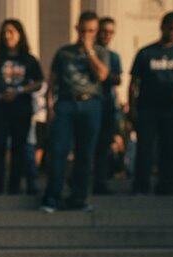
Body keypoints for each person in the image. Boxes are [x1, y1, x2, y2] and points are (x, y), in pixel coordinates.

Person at [41, 11, 110, 212]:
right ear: (76, 29)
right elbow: (51, 81)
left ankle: (79, 198)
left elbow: (103, 75)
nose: (86, 34)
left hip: (91, 104)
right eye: (83, 30)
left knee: (86, 154)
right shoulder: (64, 52)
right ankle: (52, 197)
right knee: (59, 151)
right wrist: (49, 107)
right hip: (66, 104)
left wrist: (90, 52)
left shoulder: (101, 51)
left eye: (91, 31)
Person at [129, 11, 173, 196]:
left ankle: (166, 185)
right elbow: (134, 83)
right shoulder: (146, 52)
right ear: (163, 26)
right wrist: (132, 107)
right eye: (172, 28)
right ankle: (141, 185)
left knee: (170, 148)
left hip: (172, 109)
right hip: (148, 107)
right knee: (145, 148)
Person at [0, 19, 44, 195]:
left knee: (19, 148)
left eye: (11, 32)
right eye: (4, 32)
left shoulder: (29, 60)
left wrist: (19, 90)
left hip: (21, 109)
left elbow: (39, 82)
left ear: (20, 34)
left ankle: (14, 187)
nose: (7, 36)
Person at [93, 17, 122, 196]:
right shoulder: (85, 52)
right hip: (89, 104)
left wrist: (104, 74)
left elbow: (117, 79)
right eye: (104, 31)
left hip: (107, 105)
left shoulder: (114, 56)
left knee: (104, 145)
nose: (107, 35)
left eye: (111, 32)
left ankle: (100, 181)